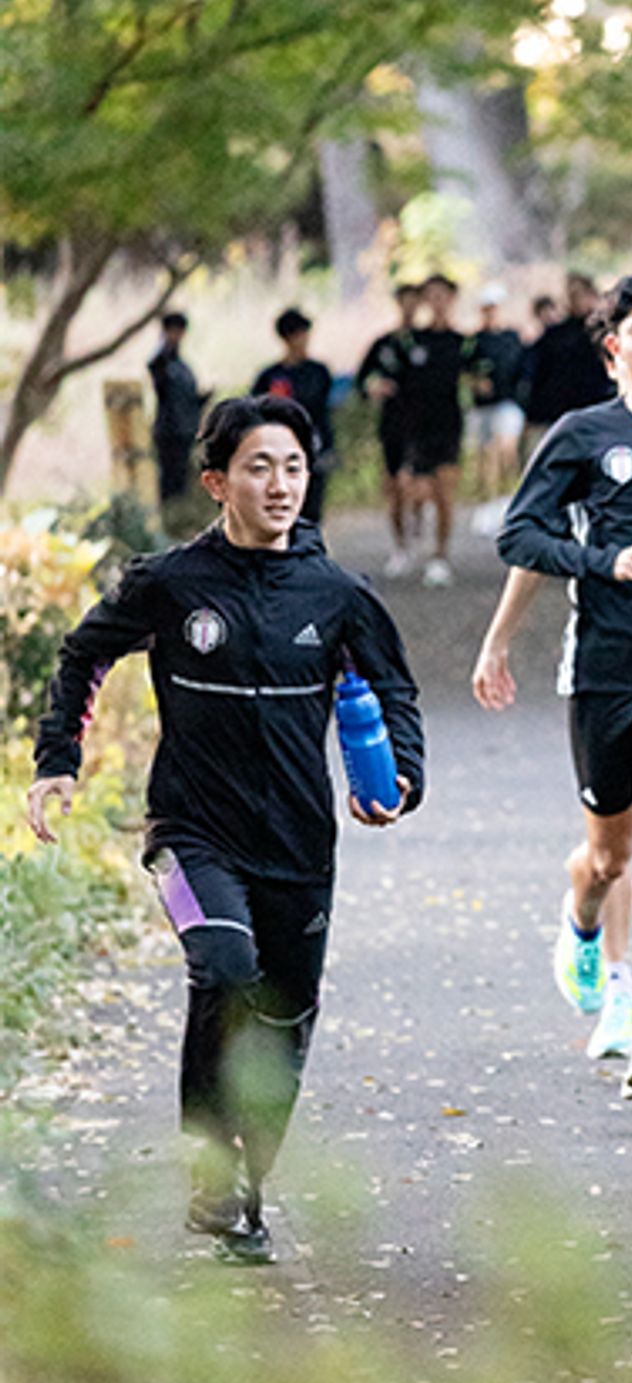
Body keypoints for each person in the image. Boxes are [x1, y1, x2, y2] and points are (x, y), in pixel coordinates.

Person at [26, 395, 424, 1265]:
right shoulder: (170, 584)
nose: (279, 485)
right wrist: (59, 758)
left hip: (299, 846)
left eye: (293, 468)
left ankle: (246, 1188)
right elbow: (83, 653)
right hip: (191, 832)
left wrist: (404, 778)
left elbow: (395, 691)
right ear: (216, 482)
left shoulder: (337, 595)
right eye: (258, 467)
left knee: (282, 1027)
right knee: (223, 964)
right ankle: (209, 1166)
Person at [472, 269, 632, 1096]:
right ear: (613, 351)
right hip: (604, 670)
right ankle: (583, 923)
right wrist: (597, 565)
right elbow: (521, 538)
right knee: (608, 857)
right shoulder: (583, 435)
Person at [399, 274, 467, 586]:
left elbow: (479, 373)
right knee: (416, 492)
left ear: (451, 299)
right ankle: (414, 538)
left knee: (444, 492)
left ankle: (440, 556)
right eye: (431, 295)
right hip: (416, 426)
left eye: (443, 295)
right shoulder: (412, 341)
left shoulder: (462, 342)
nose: (437, 301)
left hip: (448, 424)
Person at [356, 282, 423, 576]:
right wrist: (373, 387)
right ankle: (400, 545)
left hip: (423, 423)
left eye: (413, 301)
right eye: (404, 301)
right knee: (394, 485)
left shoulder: (428, 341)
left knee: (416, 483)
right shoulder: (384, 343)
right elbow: (361, 379)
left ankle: (418, 521)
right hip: (393, 422)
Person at [253, 308, 336, 524]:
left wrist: (329, 446)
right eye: (299, 335)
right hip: (280, 450)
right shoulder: (270, 376)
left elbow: (325, 411)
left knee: (312, 507)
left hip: (314, 446)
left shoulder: (319, 371)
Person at [523, 273, 614, 448]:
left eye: (580, 294)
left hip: (598, 414)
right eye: (571, 294)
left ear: (591, 296)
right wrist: (533, 415)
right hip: (559, 417)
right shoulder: (554, 335)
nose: (575, 300)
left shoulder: (605, 333)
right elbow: (540, 375)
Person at [463, 286, 528, 520]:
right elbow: (464, 371)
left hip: (507, 403)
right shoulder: (474, 341)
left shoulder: (512, 338)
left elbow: (523, 369)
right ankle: (487, 501)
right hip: (482, 406)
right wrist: (475, 382)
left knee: (505, 450)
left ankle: (509, 498)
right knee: (484, 456)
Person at [148, 311, 209, 528]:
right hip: (169, 431)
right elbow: (156, 371)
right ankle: (168, 520)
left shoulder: (182, 366)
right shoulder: (163, 362)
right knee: (169, 481)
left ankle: (179, 520)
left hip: (185, 430)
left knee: (182, 480)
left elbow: (188, 397)